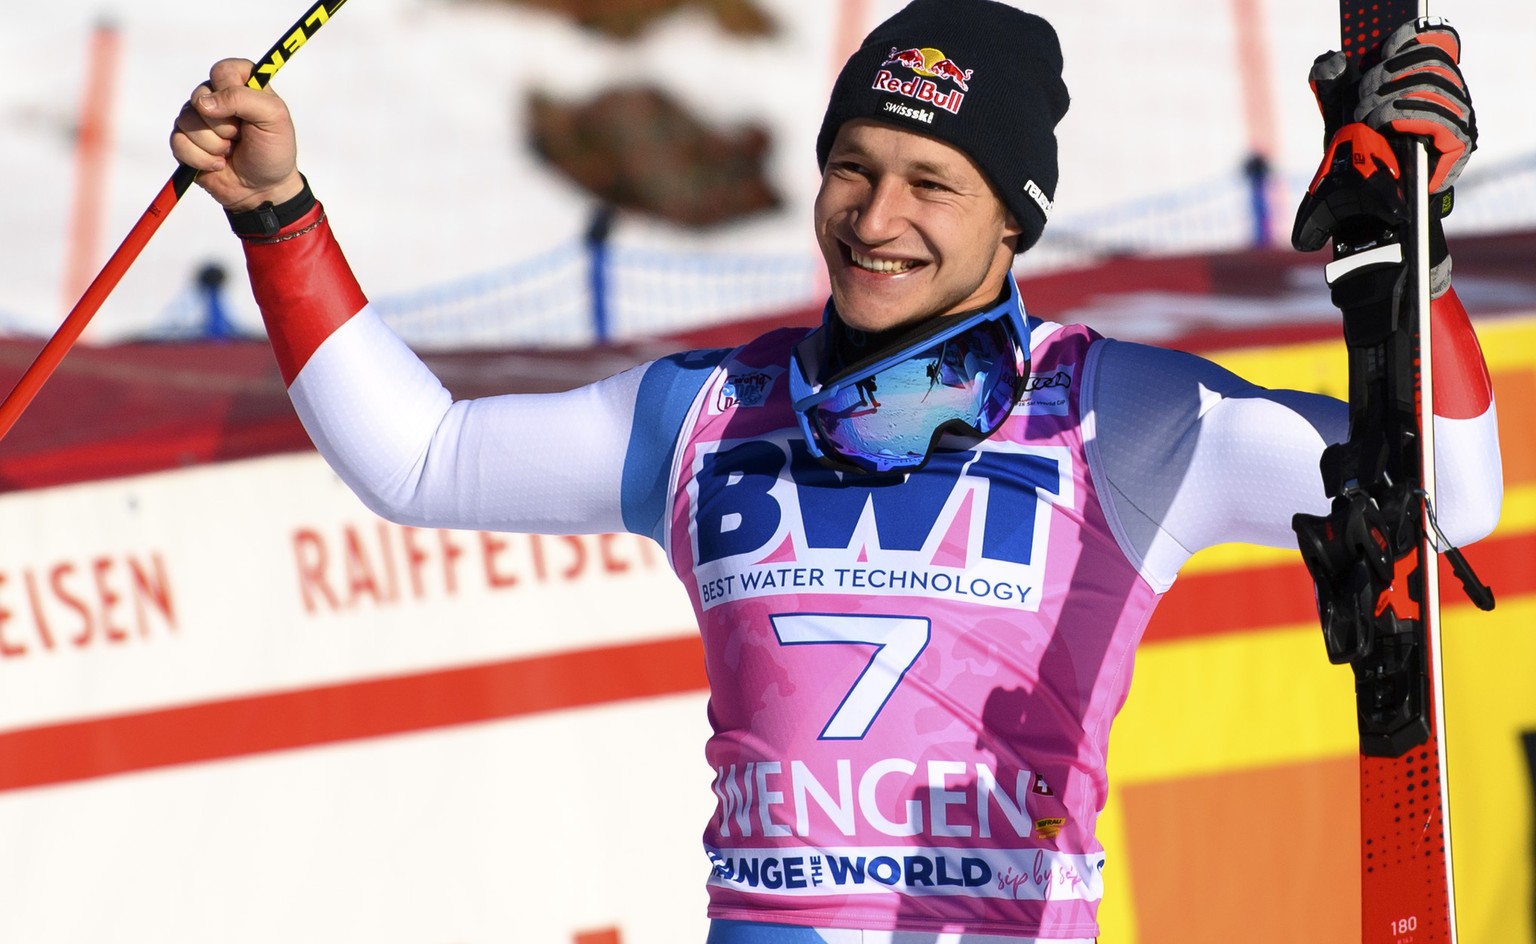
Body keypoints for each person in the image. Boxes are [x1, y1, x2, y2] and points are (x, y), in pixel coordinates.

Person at [171, 1, 1501, 940]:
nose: (875, 219)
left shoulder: (1115, 415)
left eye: (933, 182)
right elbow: (423, 459)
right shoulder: (707, 415)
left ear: (1014, 219)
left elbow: (1449, 501)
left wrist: (1416, 280)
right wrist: (280, 219)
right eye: (853, 168)